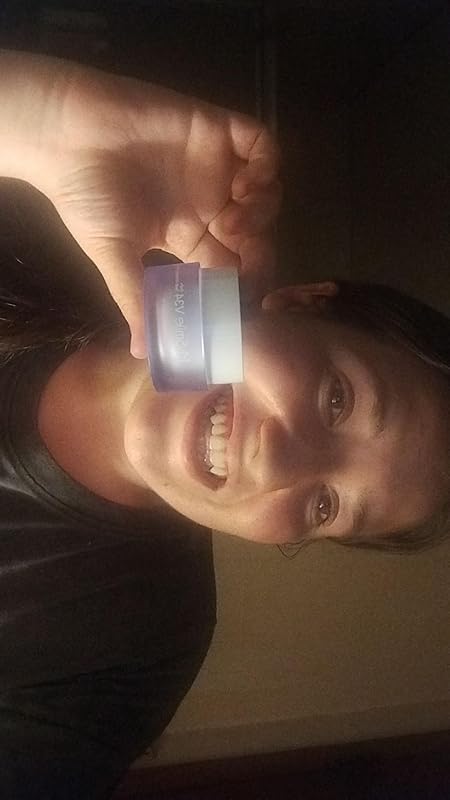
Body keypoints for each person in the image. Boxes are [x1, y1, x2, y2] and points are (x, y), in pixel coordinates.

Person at [0, 50, 448, 799]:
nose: (278, 465)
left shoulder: (141, 648)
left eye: (324, 507)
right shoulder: (55, 209)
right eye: (337, 400)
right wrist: (30, 114)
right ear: (301, 303)